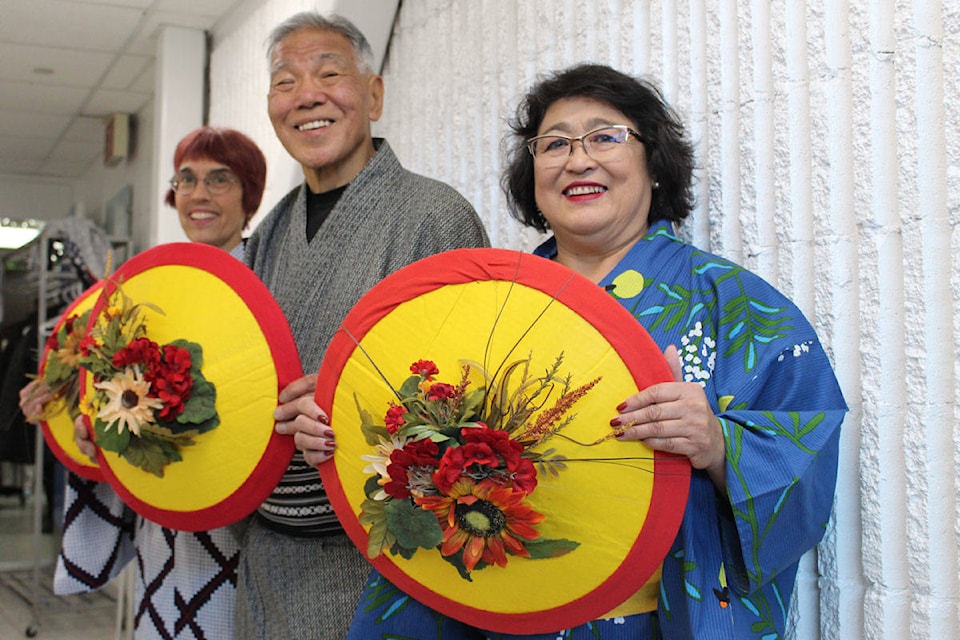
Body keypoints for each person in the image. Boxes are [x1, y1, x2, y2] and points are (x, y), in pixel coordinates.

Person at [345, 64, 847, 639]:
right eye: (554, 143)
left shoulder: (733, 303)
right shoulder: (485, 305)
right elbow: (407, 437)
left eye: (605, 136)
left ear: (653, 163)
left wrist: (717, 443)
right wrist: (343, 422)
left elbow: (807, 458)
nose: (577, 159)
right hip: (493, 611)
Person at [234, 12, 489, 639]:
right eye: (285, 82)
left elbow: (479, 396)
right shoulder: (269, 230)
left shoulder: (435, 216)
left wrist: (351, 396)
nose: (307, 96)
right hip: (267, 547)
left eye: (328, 73)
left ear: (373, 95)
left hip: (379, 559)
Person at [18, 126, 267, 639]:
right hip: (162, 515)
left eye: (220, 179)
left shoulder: (272, 288)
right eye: (187, 179)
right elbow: (114, 398)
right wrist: (71, 412)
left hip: (245, 519)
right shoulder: (149, 294)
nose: (199, 194)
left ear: (250, 197)